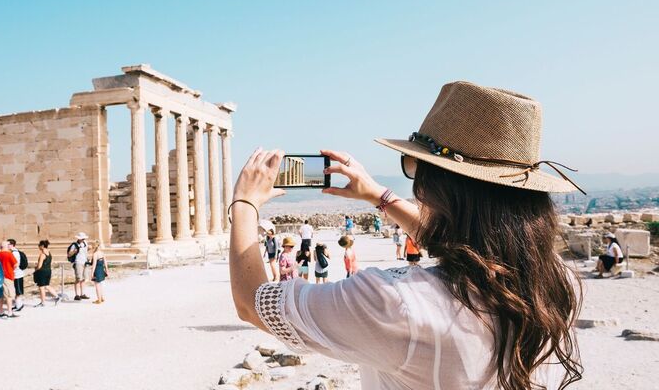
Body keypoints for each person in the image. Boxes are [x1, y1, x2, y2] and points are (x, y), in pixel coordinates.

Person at [229, 82, 584, 389]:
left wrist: (244, 204)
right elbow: (465, 242)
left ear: (437, 187)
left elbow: (252, 303)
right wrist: (379, 196)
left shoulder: (394, 303)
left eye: (415, 166)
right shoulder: (553, 283)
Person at [33, 240, 60, 307]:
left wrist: (35, 268)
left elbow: (39, 266)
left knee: (41, 287)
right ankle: (56, 296)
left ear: (42, 246)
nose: (38, 247)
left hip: (42, 272)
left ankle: (43, 302)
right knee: (47, 285)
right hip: (48, 271)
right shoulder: (49, 253)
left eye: (39, 245)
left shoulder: (42, 254)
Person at [0, 241, 18, 318]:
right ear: (6, 246)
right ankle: (9, 312)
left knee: (0, 295)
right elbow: (16, 264)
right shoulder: (9, 254)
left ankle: (1, 312)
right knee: (9, 295)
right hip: (7, 276)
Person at [67, 232, 90, 301]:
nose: (83, 239)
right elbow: (69, 254)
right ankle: (77, 295)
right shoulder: (74, 245)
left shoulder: (85, 243)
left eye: (84, 238)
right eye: (82, 238)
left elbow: (85, 251)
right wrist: (74, 251)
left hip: (85, 262)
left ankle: (82, 294)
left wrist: (89, 248)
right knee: (78, 279)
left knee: (83, 279)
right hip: (78, 263)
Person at [8, 239, 26, 312]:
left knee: (18, 291)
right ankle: (18, 305)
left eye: (8, 244)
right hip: (17, 274)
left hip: (17, 275)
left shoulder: (14, 253)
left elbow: (15, 265)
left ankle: (19, 306)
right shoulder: (14, 252)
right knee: (17, 291)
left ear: (12, 245)